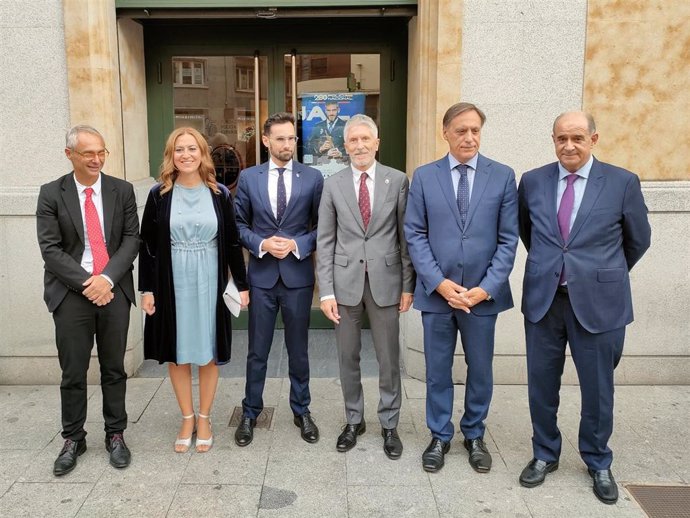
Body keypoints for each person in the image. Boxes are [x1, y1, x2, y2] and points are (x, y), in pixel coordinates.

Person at [517, 111, 651, 504]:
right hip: (546, 300)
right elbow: (530, 233)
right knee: (541, 384)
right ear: (553, 140)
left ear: (594, 139)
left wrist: (599, 274)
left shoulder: (622, 182)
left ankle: (597, 459)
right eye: (561, 138)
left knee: (598, 389)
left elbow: (638, 240)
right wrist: (555, 268)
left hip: (599, 303)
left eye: (577, 138)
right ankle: (545, 453)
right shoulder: (533, 181)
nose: (569, 146)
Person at [404, 102, 518, 473]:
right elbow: (415, 234)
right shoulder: (424, 176)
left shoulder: (502, 176)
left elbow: (508, 239)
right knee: (438, 369)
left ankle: (474, 433)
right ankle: (439, 434)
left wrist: (486, 288)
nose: (469, 137)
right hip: (438, 297)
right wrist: (438, 283)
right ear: (446, 133)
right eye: (461, 131)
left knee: (480, 369)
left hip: (482, 297)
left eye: (475, 131)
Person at [139, 127, 249, 454]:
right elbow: (147, 247)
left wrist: (242, 285)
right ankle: (186, 417)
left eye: (192, 149)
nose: (185, 155)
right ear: (171, 156)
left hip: (210, 279)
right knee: (178, 350)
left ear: (202, 153)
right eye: (179, 150)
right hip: (171, 281)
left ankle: (205, 417)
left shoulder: (219, 195)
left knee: (208, 351)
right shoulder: (159, 195)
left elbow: (231, 242)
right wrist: (147, 289)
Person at [37, 125, 139, 476]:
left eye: (101, 152)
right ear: (70, 155)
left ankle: (116, 434)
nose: (96, 159)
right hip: (71, 294)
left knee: (114, 368)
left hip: (112, 290)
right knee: (73, 371)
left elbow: (131, 240)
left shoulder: (121, 190)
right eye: (88, 153)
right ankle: (73, 438)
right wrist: (88, 283)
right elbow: (50, 249)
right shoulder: (51, 193)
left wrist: (106, 279)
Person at [317, 114, 415, 459]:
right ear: (345, 147)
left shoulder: (398, 180)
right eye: (352, 140)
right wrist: (325, 291)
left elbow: (406, 238)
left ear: (377, 143)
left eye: (365, 139)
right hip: (344, 286)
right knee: (348, 357)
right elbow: (325, 241)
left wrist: (408, 285)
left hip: (387, 283)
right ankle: (353, 419)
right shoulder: (333, 184)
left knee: (389, 358)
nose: (359, 145)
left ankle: (389, 424)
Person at [233, 112, 324, 446]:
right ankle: (249, 413)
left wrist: (299, 244)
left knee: (298, 350)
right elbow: (238, 224)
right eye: (281, 138)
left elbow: (322, 228)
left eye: (292, 138)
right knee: (257, 351)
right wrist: (261, 243)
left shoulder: (313, 178)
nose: (288, 144)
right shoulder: (249, 178)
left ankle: (302, 410)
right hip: (262, 277)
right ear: (266, 140)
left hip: (298, 277)